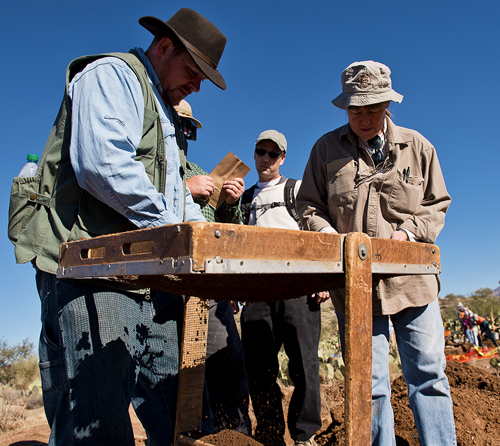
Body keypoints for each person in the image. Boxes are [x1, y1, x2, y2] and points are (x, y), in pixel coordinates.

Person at [9, 8, 228, 445]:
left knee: (177, 407)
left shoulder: (165, 112)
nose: (198, 85)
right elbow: (102, 165)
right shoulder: (113, 76)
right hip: (94, 270)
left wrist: (204, 241)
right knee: (99, 421)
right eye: (193, 70)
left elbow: (176, 194)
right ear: (164, 47)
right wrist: (175, 234)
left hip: (146, 277)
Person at [296, 61, 456, 445]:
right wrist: (332, 239)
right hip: (356, 288)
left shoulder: (418, 147)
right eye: (355, 109)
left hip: (413, 283)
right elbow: (308, 207)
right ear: (345, 108)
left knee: (429, 375)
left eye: (372, 108)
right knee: (369, 382)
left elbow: (436, 203)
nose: (363, 118)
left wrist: (408, 233)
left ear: (388, 104)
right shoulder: (325, 149)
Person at [239, 130, 325, 446]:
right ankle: (270, 433)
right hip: (257, 294)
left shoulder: (297, 191)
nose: (265, 158)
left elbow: (317, 235)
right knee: (259, 370)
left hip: (298, 290)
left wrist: (322, 279)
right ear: (255, 153)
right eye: (261, 151)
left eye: (273, 154)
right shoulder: (244, 199)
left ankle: (305, 436)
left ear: (283, 158)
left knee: (304, 364)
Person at [174, 99, 251, 435]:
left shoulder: (199, 172)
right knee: (177, 372)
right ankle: (192, 436)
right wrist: (183, 192)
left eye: (190, 128)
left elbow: (227, 229)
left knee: (227, 362)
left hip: (210, 284)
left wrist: (231, 204)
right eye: (181, 123)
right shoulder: (153, 169)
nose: (185, 132)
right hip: (165, 284)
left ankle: (235, 435)